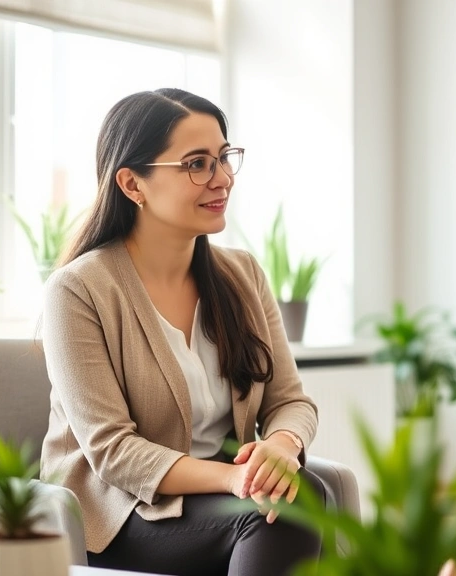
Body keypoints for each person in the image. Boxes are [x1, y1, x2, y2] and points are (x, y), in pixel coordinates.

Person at [40, 88, 323, 575]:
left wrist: (280, 446)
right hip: (122, 511)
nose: (224, 178)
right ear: (132, 184)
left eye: (224, 157)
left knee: (300, 493)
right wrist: (235, 481)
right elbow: (114, 452)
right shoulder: (78, 289)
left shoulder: (243, 274)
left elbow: (290, 402)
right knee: (286, 506)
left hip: (224, 502)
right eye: (198, 164)